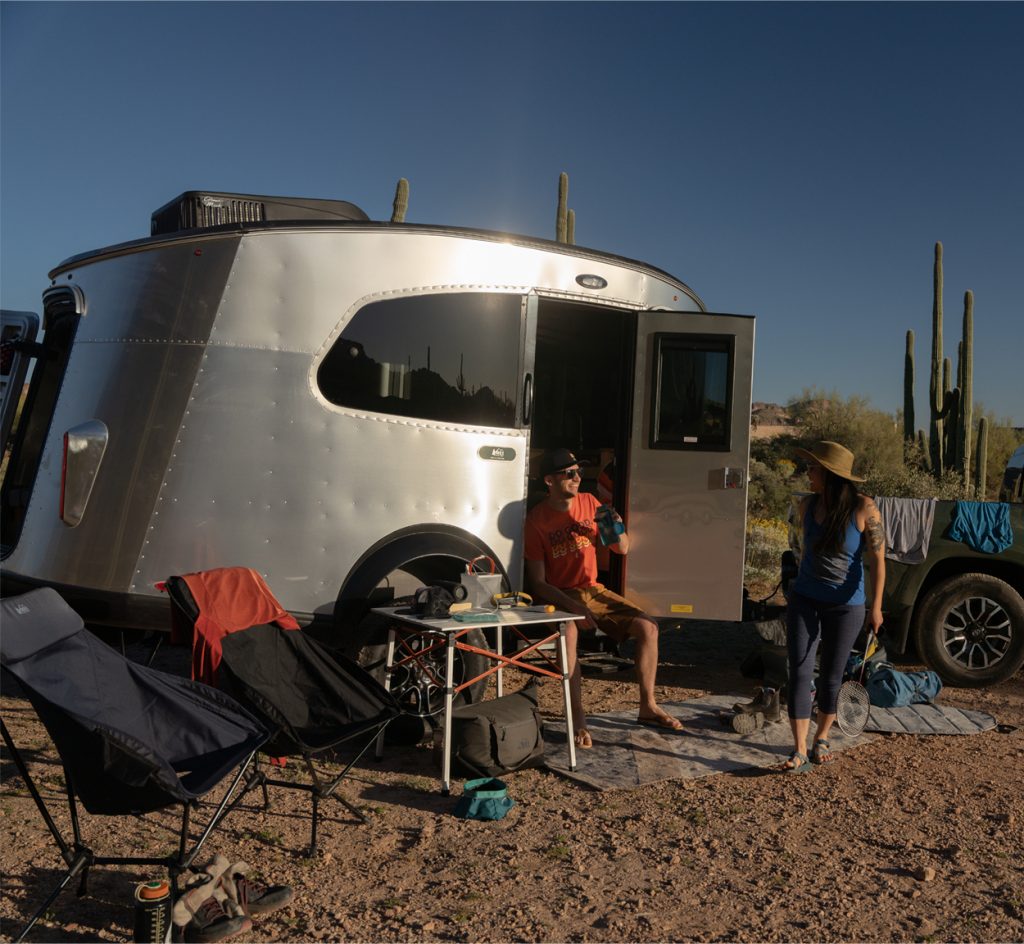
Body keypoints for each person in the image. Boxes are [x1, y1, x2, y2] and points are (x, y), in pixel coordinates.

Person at [524, 447, 685, 749]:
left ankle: (648, 707)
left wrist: (615, 527)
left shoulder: (589, 502)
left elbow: (621, 549)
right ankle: (577, 718)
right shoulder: (536, 521)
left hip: (593, 590)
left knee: (648, 628)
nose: (577, 477)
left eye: (579, 472)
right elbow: (538, 583)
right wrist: (574, 607)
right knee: (568, 636)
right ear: (549, 480)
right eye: (569, 473)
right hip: (560, 595)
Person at [781, 440, 885, 773]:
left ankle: (821, 738)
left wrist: (876, 608)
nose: (808, 472)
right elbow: (801, 549)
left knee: (831, 675)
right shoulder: (807, 505)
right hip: (805, 598)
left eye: (812, 467)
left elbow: (878, 561)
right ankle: (799, 747)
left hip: (846, 606)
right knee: (799, 670)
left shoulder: (865, 508)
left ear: (828, 473)